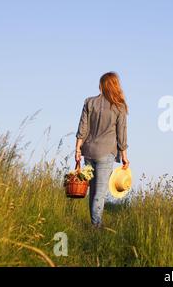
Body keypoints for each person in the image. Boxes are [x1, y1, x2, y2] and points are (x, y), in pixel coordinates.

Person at [75, 72, 130, 228]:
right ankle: (96, 227)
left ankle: (94, 224)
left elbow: (82, 128)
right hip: (106, 153)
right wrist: (124, 156)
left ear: (102, 85)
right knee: (100, 192)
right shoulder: (119, 106)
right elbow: (122, 134)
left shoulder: (89, 102)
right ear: (115, 85)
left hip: (89, 151)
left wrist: (77, 149)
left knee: (92, 192)